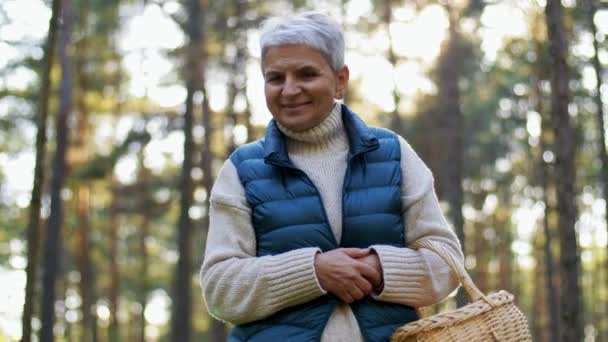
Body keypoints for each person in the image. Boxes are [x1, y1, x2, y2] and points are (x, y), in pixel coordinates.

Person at [200, 11, 463, 342]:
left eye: (307, 74)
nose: (290, 90)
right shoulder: (242, 169)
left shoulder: (392, 153)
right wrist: (314, 272)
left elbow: (447, 263)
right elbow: (220, 289)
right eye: (275, 78)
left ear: (340, 79)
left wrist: (378, 267)